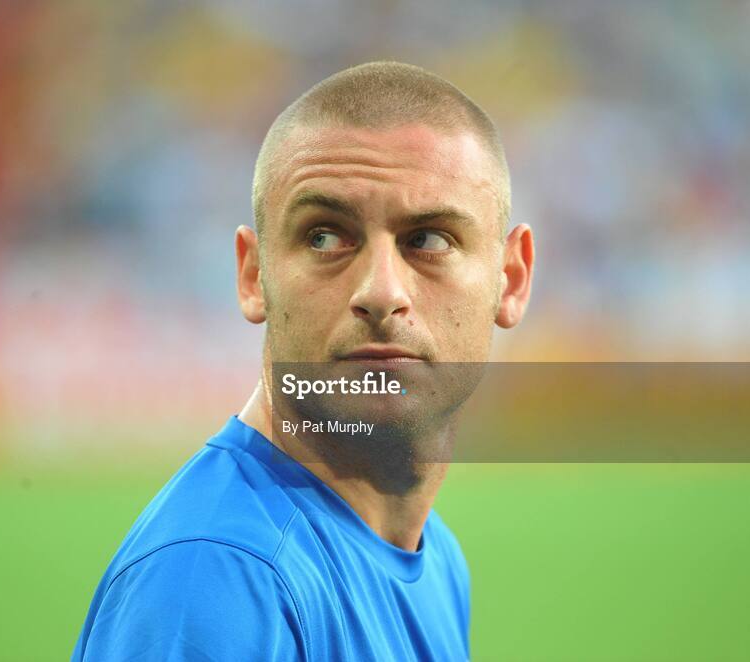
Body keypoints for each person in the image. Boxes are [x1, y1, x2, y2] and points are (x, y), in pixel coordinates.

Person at [72, 60, 534, 661]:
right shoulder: (217, 579)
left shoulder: (434, 557)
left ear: (512, 278)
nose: (382, 291)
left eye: (428, 239)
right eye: (325, 236)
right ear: (253, 274)